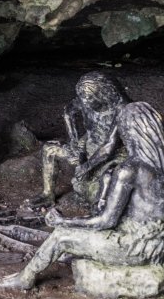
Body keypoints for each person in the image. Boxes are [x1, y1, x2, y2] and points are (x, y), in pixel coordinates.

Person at [0, 102, 164, 290]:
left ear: (130, 133)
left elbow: (106, 221)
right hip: (162, 244)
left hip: (134, 247)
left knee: (61, 237)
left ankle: (25, 279)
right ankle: (77, 251)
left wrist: (63, 221)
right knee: (83, 233)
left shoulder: (130, 170)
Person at [27, 71, 129, 208]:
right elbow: (68, 111)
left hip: (113, 156)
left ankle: (103, 206)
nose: (85, 101)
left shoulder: (122, 109)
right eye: (83, 97)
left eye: (89, 97)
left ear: (103, 93)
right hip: (87, 147)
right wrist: (73, 140)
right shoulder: (85, 100)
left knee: (106, 181)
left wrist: (85, 166)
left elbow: (109, 147)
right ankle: (48, 194)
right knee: (49, 149)